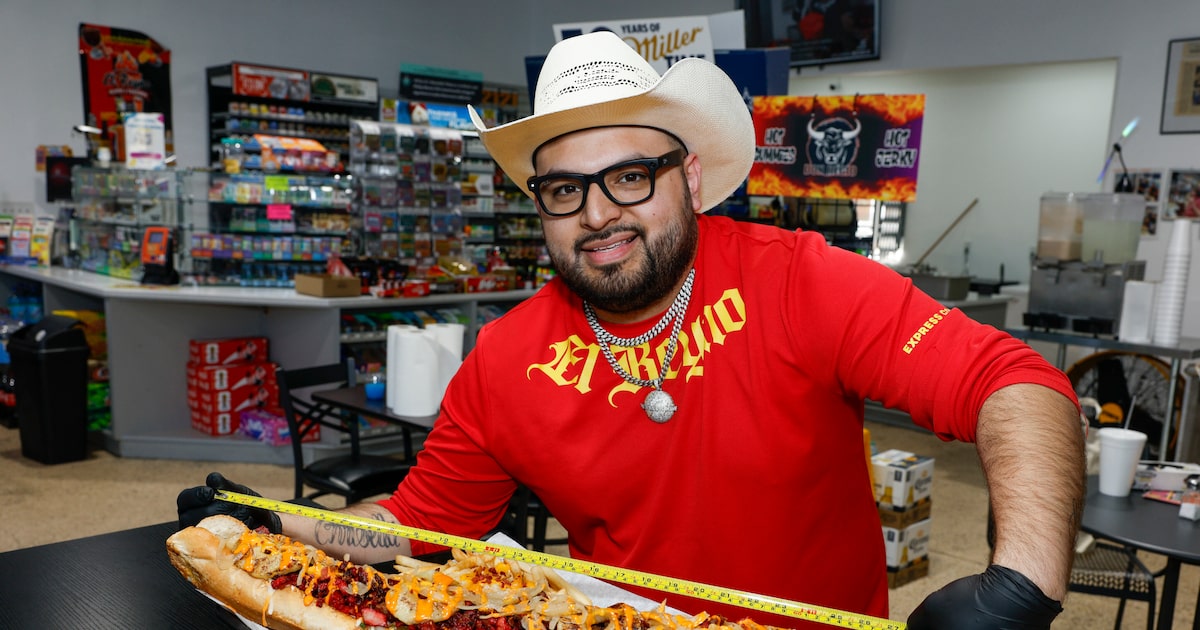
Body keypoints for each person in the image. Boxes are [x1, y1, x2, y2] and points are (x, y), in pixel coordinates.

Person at [179, 31, 1085, 629]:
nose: (599, 213)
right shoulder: (506, 358)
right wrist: (282, 529)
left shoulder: (797, 278)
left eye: (630, 177)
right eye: (565, 188)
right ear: (541, 206)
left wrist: (1021, 588)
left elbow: (1017, 384)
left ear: (688, 179)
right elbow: (419, 527)